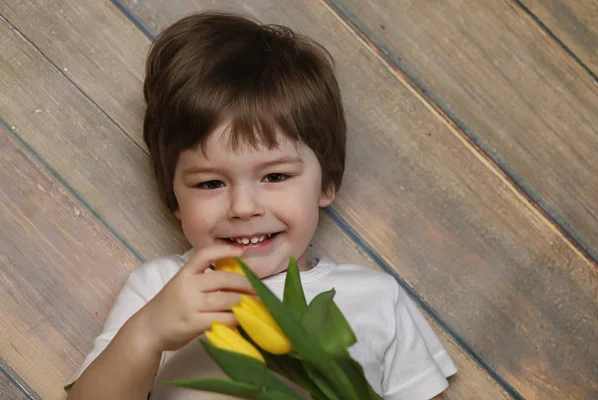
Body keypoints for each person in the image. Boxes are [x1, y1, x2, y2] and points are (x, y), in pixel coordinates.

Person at [65, 11, 457, 400]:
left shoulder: (376, 298)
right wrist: (148, 333)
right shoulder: (161, 289)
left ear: (327, 182)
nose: (243, 207)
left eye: (275, 177)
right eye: (211, 183)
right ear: (174, 199)